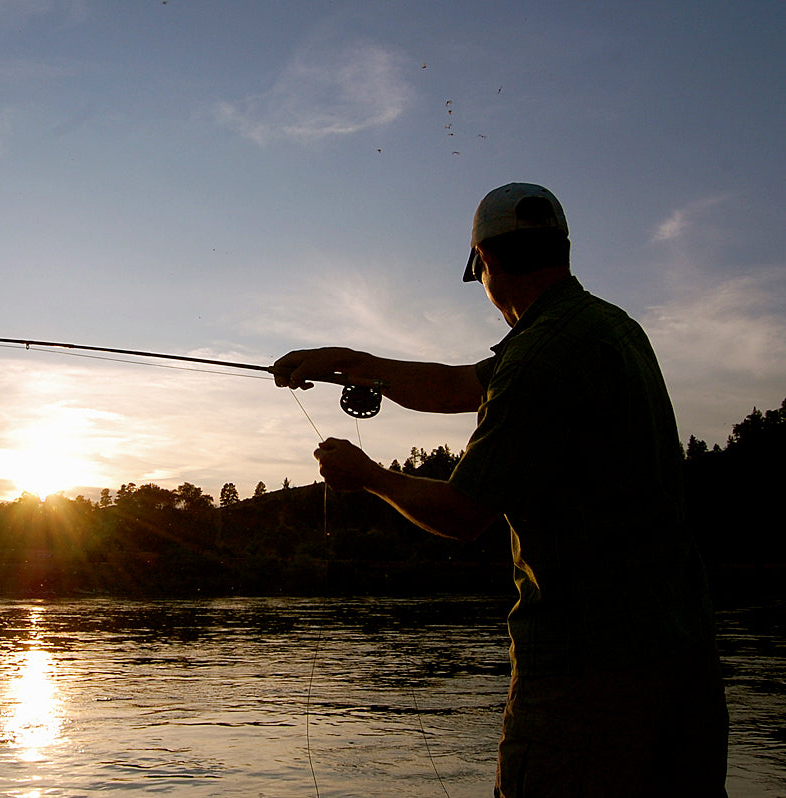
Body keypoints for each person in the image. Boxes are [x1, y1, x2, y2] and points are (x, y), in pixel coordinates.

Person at [274, 183, 728, 797]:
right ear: (562, 249)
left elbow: (464, 514)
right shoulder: (606, 327)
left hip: (586, 673)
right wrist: (350, 359)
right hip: (683, 656)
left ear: (482, 262)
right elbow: (460, 386)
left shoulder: (541, 356)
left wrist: (370, 478)